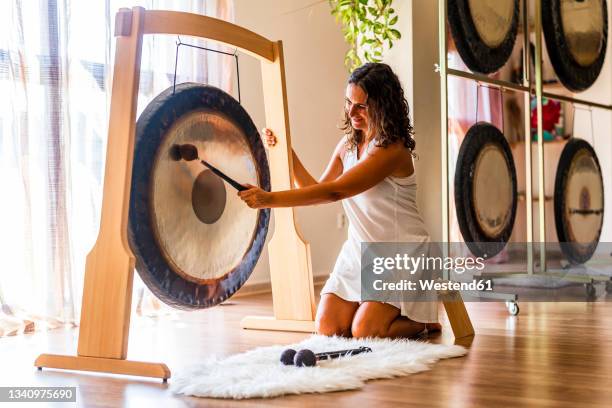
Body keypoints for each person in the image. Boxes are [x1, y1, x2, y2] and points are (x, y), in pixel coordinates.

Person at [238, 62, 440, 338]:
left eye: (361, 106)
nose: (352, 112)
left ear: (382, 104)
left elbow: (335, 191)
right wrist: (286, 150)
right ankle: (376, 308)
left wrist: (268, 199)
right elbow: (318, 189)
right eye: (348, 103)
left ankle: (424, 322)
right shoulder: (347, 146)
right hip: (360, 252)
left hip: (400, 253)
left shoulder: (391, 149)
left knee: (364, 331)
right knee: (327, 327)